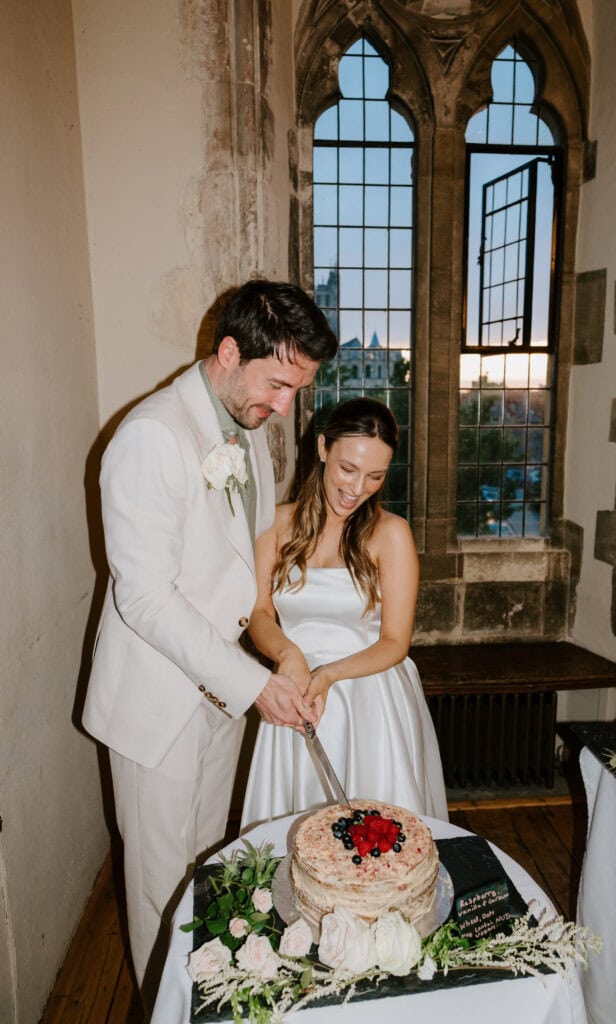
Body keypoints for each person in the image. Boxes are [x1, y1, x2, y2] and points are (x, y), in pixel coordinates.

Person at [81, 279, 337, 1009]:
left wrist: (279, 653)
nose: (285, 405)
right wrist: (254, 684)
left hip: (217, 700)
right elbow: (145, 598)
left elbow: (245, 564)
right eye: (279, 383)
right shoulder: (150, 436)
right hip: (153, 707)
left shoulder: (247, 431)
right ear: (230, 352)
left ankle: (211, 1003)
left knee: (208, 875)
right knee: (160, 891)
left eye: (299, 388)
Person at [240, 397, 449, 832]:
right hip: (294, 691)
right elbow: (258, 612)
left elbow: (395, 641)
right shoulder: (274, 525)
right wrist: (289, 656)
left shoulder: (391, 534)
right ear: (322, 448)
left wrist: (330, 674)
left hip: (369, 697)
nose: (358, 489)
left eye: (375, 476)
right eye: (348, 469)